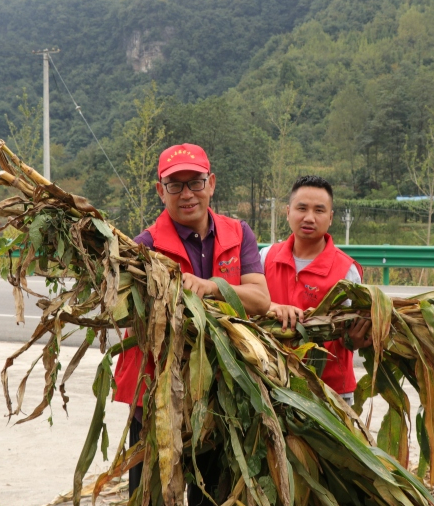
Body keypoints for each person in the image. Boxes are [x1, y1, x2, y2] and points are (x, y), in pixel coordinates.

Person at [113, 143, 270, 505]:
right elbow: (127, 317)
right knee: (151, 492)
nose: (187, 194)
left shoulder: (238, 233)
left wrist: (211, 287)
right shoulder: (143, 248)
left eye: (195, 182)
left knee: (210, 493)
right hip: (156, 389)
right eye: (175, 185)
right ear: (160, 191)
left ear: (211, 183)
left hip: (218, 388)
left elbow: (260, 300)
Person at [260, 175, 371, 406]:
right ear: (288, 211)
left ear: (330, 218)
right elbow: (247, 306)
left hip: (329, 392)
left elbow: (354, 334)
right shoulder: (265, 258)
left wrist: (358, 339)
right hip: (271, 384)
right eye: (302, 208)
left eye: (319, 210)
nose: (309, 217)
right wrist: (272, 307)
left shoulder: (347, 271)